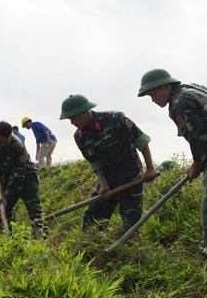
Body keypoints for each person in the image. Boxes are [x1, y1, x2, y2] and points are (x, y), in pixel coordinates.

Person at [138, 69, 207, 274]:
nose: (152, 100)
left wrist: (197, 165)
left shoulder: (180, 103)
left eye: (153, 94)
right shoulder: (191, 89)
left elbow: (199, 139)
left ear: (166, 86)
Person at [59, 94, 157, 233]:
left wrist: (150, 169)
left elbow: (141, 141)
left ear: (84, 112)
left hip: (130, 176)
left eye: (73, 117)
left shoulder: (115, 119)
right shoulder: (79, 137)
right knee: (91, 218)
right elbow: (95, 163)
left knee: (131, 226)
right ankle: (94, 249)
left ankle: (130, 251)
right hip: (108, 180)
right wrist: (104, 184)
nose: (71, 122)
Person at [0, 121, 46, 235]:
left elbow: (19, 175)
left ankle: (43, 238)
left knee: (34, 210)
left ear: (10, 137)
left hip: (27, 175)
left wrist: (6, 195)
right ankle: (7, 240)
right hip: (8, 175)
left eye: (4, 142)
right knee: (5, 210)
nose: (0, 145)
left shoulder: (17, 145)